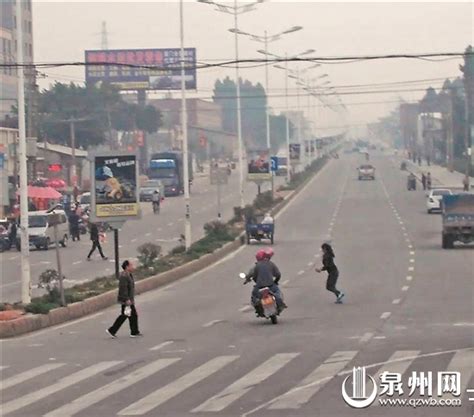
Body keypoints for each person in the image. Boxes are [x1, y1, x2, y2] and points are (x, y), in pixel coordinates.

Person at [106, 260, 142, 338]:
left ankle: (134, 331)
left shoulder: (129, 275)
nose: (133, 267)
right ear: (127, 267)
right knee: (127, 315)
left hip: (129, 299)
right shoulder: (124, 276)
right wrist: (126, 299)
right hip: (126, 300)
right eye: (131, 265)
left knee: (130, 315)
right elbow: (123, 289)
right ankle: (113, 330)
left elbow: (130, 287)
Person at [246, 248, 286, 313]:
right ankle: (280, 305)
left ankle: (258, 308)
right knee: (277, 292)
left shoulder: (257, 266)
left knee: (254, 295)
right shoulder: (271, 264)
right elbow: (278, 274)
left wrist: (254, 281)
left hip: (259, 286)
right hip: (270, 285)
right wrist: (276, 281)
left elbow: (254, 276)